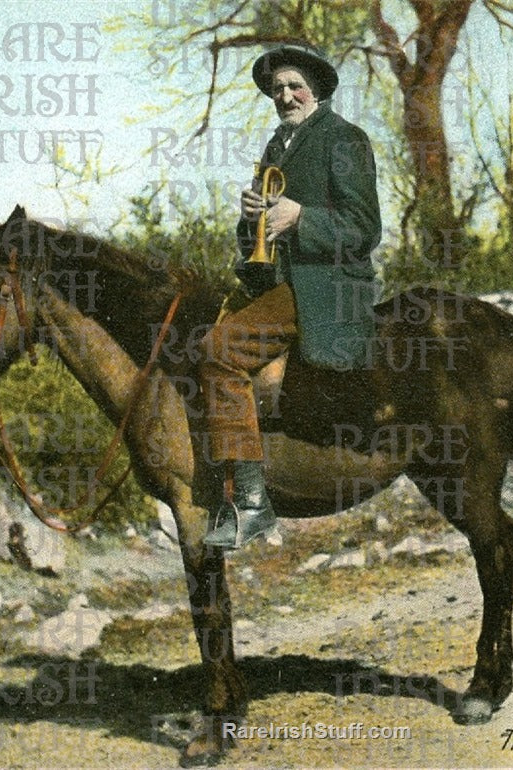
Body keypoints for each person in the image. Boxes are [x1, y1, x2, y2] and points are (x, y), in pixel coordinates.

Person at [200, 42, 382, 549]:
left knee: (218, 353)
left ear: (317, 89)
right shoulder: (277, 148)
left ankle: (253, 504)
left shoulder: (345, 139)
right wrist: (250, 216)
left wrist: (301, 218)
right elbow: (258, 241)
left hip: (326, 289)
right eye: (276, 88)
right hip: (282, 283)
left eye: (294, 85)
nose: (284, 95)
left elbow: (364, 229)